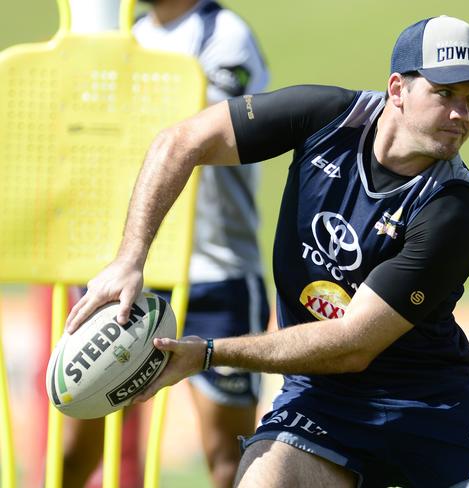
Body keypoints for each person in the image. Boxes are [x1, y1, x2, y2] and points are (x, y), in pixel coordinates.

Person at [66, 15, 469, 488]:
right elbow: (181, 141)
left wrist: (207, 353)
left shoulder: (451, 206)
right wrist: (130, 259)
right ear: (397, 89)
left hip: (433, 407)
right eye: (445, 93)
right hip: (322, 402)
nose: (462, 115)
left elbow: (352, 345)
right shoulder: (326, 115)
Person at [61, 1, 270, 487]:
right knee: (75, 447)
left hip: (215, 272)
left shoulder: (225, 35)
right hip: (123, 271)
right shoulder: (126, 33)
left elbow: (199, 137)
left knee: (227, 459)